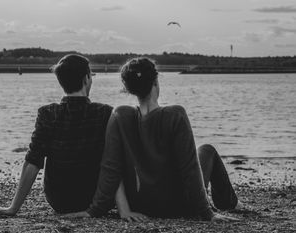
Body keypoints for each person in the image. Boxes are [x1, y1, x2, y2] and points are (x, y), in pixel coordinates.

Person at [66, 57, 240, 222]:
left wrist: (94, 210)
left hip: (140, 205)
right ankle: (230, 203)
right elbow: (190, 168)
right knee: (207, 150)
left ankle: (229, 202)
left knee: (203, 152)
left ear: (128, 88)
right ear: (156, 82)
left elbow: (111, 167)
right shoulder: (175, 114)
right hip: (178, 207)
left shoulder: (120, 115)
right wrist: (207, 213)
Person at [0, 54, 113, 216]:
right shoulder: (104, 112)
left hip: (60, 200)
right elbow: (113, 160)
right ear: (86, 79)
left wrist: (13, 208)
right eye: (91, 76)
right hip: (95, 198)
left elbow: (33, 162)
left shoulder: (48, 113)